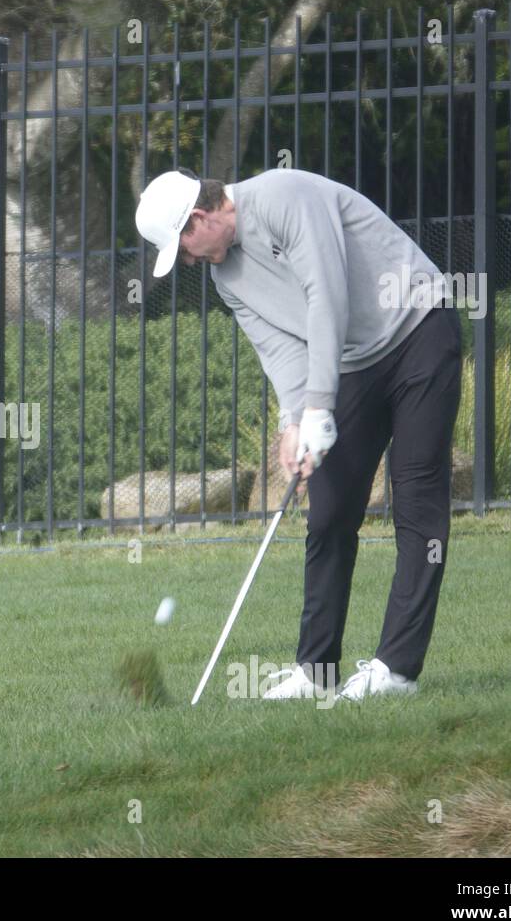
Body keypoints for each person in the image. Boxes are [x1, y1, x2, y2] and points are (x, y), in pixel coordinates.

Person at [135, 167, 463, 702]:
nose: (190, 261)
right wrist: (295, 421)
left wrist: (319, 406)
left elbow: (324, 293)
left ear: (200, 216)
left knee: (417, 497)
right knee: (330, 510)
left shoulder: (284, 195)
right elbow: (282, 349)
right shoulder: (227, 279)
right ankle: (318, 672)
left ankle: (396, 670)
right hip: (355, 361)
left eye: (185, 247)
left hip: (419, 326)